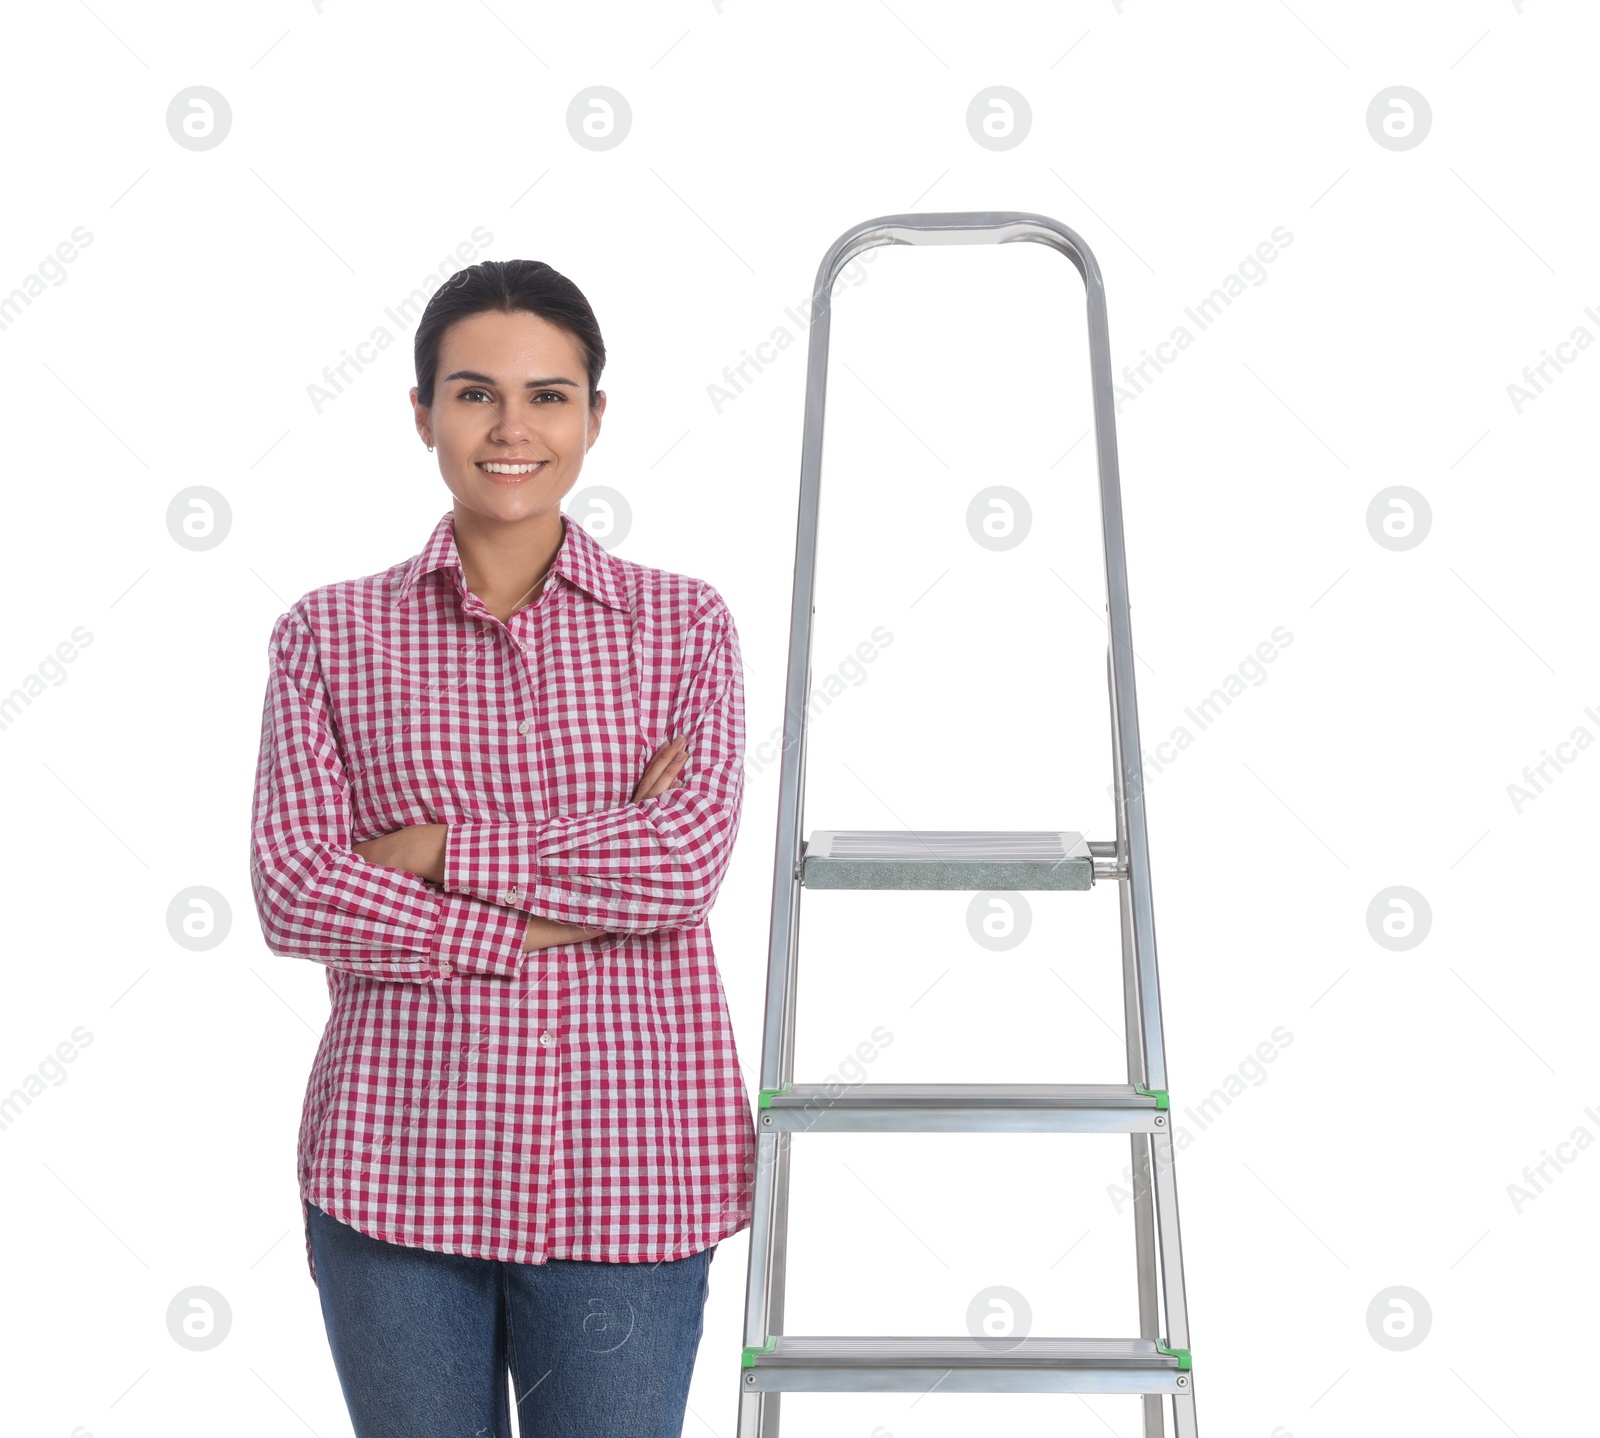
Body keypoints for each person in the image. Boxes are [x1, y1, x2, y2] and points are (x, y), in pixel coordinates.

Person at [248, 258, 757, 1437]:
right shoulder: (330, 636)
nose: (512, 427)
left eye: (549, 395)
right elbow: (296, 891)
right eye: (474, 393)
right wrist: (566, 899)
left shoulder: (683, 626)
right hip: (394, 1168)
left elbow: (681, 863)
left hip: (633, 1170)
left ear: (594, 416)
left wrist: (430, 847)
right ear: (422, 412)